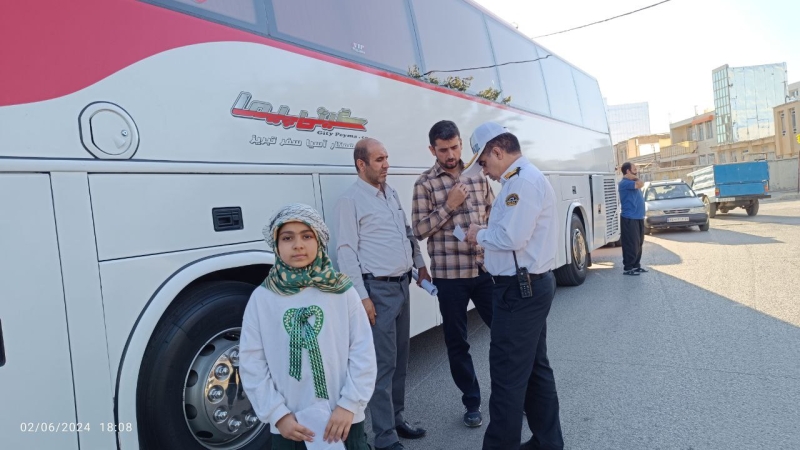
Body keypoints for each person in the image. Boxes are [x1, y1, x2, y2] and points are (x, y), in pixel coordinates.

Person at [239, 203, 377, 450]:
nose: (298, 245)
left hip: (343, 422)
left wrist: (349, 404)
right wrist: (277, 414)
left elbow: (362, 350)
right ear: (276, 244)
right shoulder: (263, 298)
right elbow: (252, 363)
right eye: (287, 238)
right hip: (291, 427)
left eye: (306, 236)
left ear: (319, 240)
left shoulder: (341, 291)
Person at [464, 123, 564, 450]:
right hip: (527, 287)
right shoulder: (520, 179)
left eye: (483, 162)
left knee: (507, 376)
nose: (484, 170)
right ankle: (547, 442)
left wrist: (478, 234)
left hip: (519, 291)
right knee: (534, 370)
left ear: (497, 151)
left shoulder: (521, 182)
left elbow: (512, 237)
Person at [333, 138, 430, 450]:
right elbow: (346, 252)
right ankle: (385, 437)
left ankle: (397, 419)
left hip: (402, 285)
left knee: (400, 359)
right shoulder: (350, 201)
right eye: (379, 160)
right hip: (377, 291)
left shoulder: (390, 193)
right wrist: (362, 297)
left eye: (386, 158)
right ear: (361, 165)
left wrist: (420, 265)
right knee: (382, 365)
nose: (386, 164)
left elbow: (407, 234)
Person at [411, 120, 494, 428]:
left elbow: (494, 213)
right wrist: (449, 206)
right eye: (443, 149)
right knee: (457, 343)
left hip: (484, 270)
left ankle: (514, 396)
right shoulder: (424, 184)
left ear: (461, 143)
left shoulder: (479, 174)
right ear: (432, 150)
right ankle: (472, 402)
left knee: (505, 335)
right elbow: (419, 230)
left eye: (455, 147)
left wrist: (486, 234)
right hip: (449, 277)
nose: (451, 154)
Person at [618, 162, 647, 276]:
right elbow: (641, 184)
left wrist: (634, 177)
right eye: (634, 169)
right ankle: (628, 267)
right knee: (631, 244)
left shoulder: (632, 182)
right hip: (629, 218)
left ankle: (636, 266)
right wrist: (635, 178)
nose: (636, 171)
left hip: (638, 217)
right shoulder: (624, 183)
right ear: (628, 171)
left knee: (639, 243)